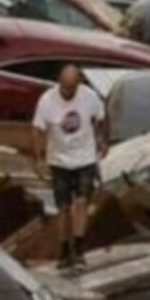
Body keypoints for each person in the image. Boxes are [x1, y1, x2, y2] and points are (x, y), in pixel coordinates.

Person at [32, 65, 108, 269]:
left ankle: (80, 248)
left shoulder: (90, 97)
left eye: (71, 89)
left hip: (84, 158)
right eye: (64, 88)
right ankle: (65, 249)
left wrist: (103, 140)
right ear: (59, 83)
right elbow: (38, 129)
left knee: (81, 202)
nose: (67, 93)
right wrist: (39, 158)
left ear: (78, 85)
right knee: (63, 207)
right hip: (59, 160)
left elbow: (101, 118)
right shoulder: (47, 100)